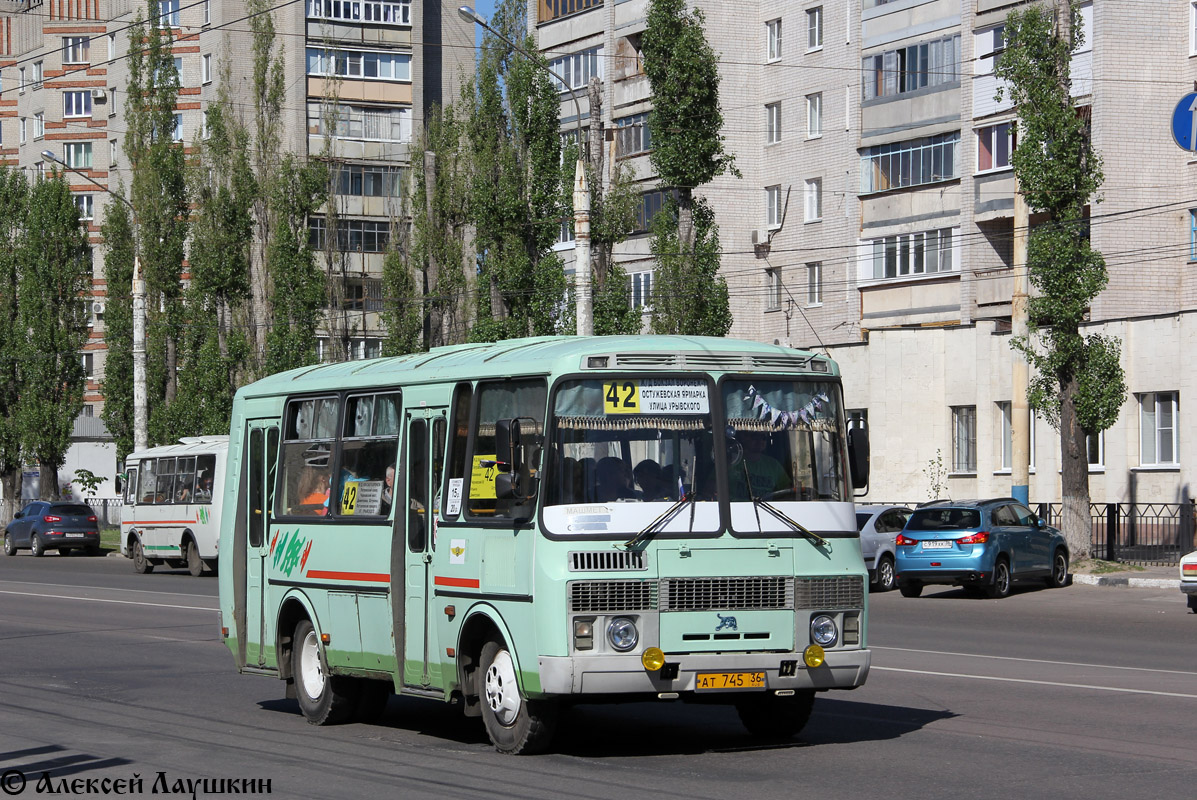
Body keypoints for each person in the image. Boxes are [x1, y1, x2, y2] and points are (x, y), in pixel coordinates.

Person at [729, 430, 790, 501]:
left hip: (767, 509)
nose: (760, 440)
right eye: (754, 436)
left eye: (763, 437)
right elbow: (714, 487)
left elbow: (787, 492)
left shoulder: (774, 465)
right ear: (743, 437)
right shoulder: (732, 462)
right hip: (736, 509)